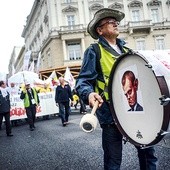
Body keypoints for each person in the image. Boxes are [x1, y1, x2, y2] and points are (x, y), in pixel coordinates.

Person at [76, 8, 157, 170]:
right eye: (110, 22)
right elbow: (83, 81)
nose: (115, 24)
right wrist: (89, 93)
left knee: (148, 155)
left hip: (135, 112)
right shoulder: (94, 51)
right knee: (113, 161)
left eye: (116, 22)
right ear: (100, 30)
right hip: (110, 114)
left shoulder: (128, 52)